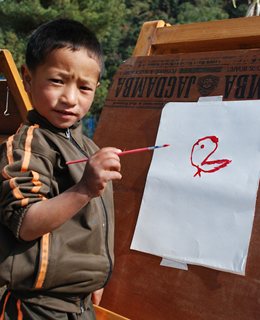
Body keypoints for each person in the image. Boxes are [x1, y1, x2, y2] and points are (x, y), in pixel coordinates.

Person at [0, 18, 122, 319]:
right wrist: (83, 189)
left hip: (80, 305)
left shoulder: (89, 148)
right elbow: (25, 222)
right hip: (37, 305)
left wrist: (95, 273)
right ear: (28, 79)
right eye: (57, 80)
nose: (70, 98)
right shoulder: (26, 146)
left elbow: (94, 223)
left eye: (84, 88)